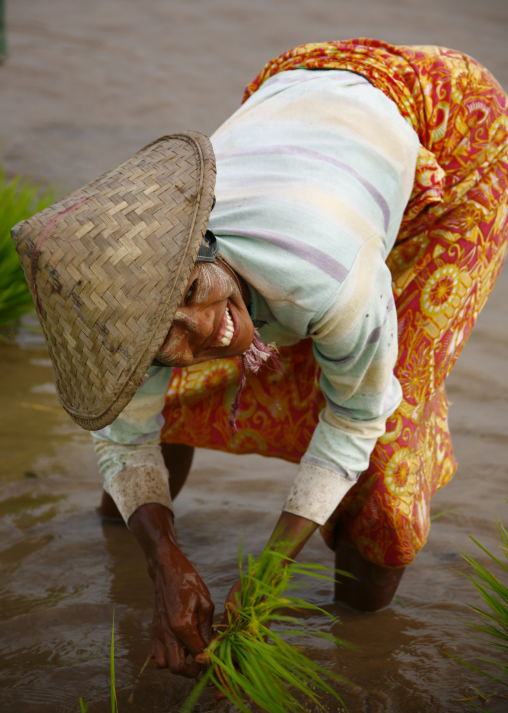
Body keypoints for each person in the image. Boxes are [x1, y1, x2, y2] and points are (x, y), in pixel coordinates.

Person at [13, 39, 508, 679]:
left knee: (389, 445)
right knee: (185, 388)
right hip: (300, 110)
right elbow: (124, 439)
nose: (212, 330)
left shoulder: (321, 276)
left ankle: (365, 657)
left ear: (203, 243)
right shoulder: (156, 285)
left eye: (192, 290)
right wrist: (162, 559)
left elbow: (356, 419)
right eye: (170, 338)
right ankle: (135, 546)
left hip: (446, 116)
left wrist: (268, 580)